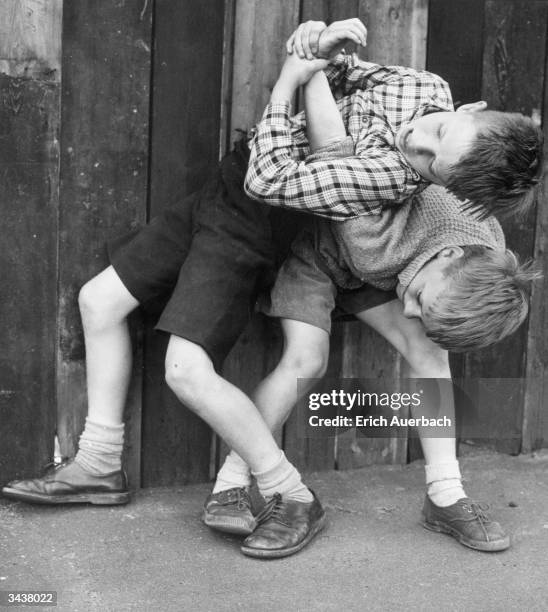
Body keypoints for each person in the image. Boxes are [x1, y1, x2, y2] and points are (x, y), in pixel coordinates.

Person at [207, 22, 538, 554]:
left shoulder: (483, 250)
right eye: (421, 300)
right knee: (305, 361)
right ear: (447, 256)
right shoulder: (373, 228)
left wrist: (429, 312)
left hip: (389, 257)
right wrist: (312, 63)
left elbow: (429, 294)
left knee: (430, 353)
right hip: (331, 250)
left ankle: (446, 493)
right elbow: (333, 149)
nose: (409, 308)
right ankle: (233, 480)